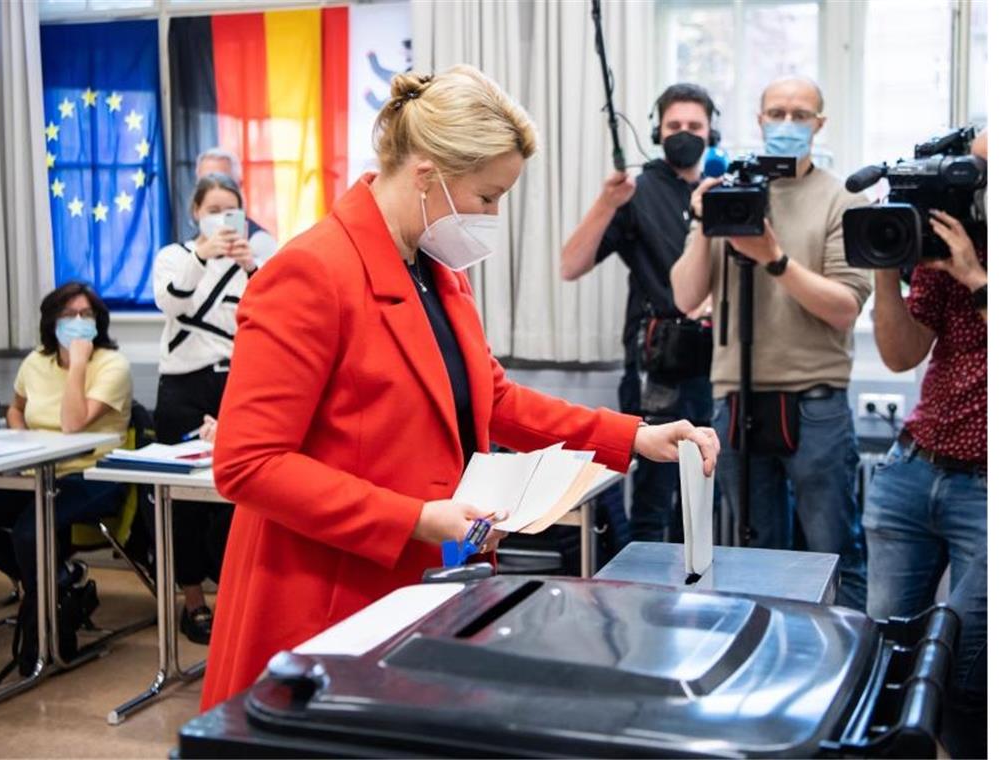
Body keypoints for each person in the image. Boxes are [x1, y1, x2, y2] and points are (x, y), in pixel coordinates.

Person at [200, 65, 721, 709]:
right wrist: (417, 517)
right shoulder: (310, 273)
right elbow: (249, 464)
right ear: (426, 176)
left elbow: (495, 401)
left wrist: (635, 436)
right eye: (487, 196)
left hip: (422, 581)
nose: (493, 215)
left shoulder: (438, 272)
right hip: (328, 594)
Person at [670, 76, 871, 611]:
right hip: (736, 401)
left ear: (819, 124)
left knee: (833, 551)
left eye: (800, 114)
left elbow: (845, 307)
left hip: (816, 404)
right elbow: (687, 297)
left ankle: (844, 669)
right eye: (776, 113)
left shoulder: (841, 198)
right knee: (752, 555)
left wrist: (774, 258)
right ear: (758, 120)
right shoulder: (732, 192)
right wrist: (699, 220)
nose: (787, 124)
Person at [866, 131, 987, 758]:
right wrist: (888, 272)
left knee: (968, 669)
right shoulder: (948, 249)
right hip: (914, 470)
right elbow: (900, 354)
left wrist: (978, 279)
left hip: (992, 493)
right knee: (886, 654)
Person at [561, 83, 719, 544]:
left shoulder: (724, 193)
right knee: (654, 494)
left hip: (720, 366)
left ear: (713, 133)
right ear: (657, 130)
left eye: (694, 126)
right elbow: (570, 265)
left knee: (714, 491)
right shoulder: (639, 191)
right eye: (674, 126)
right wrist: (606, 203)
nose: (684, 133)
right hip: (658, 369)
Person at [0, 282, 132, 676]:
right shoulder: (35, 362)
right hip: (36, 469)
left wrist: (77, 364)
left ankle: (44, 604)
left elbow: (71, 423)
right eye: (69, 315)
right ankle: (54, 582)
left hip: (93, 473)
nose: (78, 323)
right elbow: (16, 407)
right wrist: (18, 433)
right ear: (51, 322)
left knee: (30, 533)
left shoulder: (112, 366)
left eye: (86, 315)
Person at [152, 172, 270, 644]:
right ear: (195, 212)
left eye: (231, 209)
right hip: (183, 386)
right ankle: (192, 600)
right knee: (182, 500)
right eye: (212, 209)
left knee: (234, 495)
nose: (221, 218)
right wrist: (202, 253)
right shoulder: (175, 257)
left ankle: (233, 597)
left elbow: (272, 314)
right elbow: (173, 303)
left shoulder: (254, 259)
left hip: (238, 384)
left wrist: (253, 270)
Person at [195, 147, 279, 262]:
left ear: (239, 185)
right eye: (205, 182)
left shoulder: (260, 242)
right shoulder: (185, 250)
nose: (214, 187)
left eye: (223, 181)